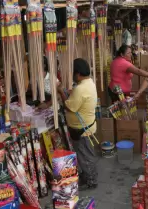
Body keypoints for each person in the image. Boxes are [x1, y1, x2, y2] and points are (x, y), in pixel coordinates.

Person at [57, 58, 98, 189]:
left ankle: (92, 179)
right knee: (84, 154)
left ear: (78, 73)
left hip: (82, 129)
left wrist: (61, 92)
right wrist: (69, 92)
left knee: (85, 155)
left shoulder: (80, 88)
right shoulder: (89, 83)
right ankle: (86, 176)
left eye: (73, 74)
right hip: (87, 126)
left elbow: (70, 107)